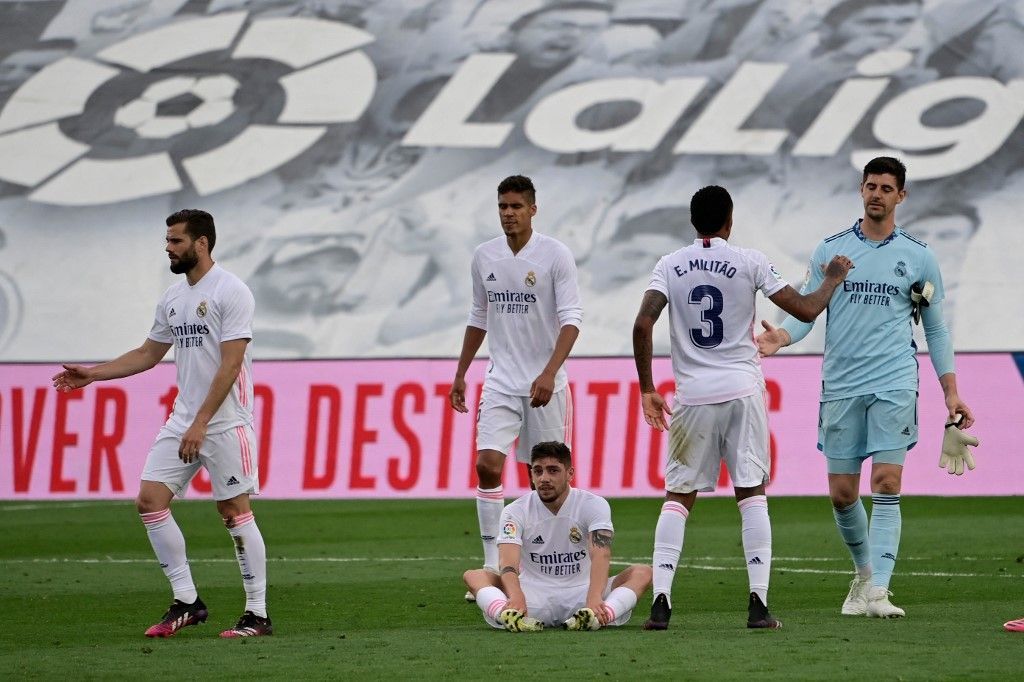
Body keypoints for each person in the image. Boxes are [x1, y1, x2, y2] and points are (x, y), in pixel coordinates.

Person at [756, 157, 976, 619]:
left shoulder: (919, 257)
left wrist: (950, 392)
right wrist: (782, 337)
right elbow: (809, 310)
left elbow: (936, 330)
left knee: (887, 482)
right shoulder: (831, 250)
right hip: (841, 384)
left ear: (901, 196)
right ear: (861, 190)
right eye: (871, 186)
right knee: (842, 493)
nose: (877, 194)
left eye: (886, 188)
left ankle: (878, 591)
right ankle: (863, 576)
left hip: (895, 380)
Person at [632, 185, 854, 631]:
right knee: (751, 494)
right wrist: (831, 278)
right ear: (729, 221)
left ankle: (660, 602)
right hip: (741, 391)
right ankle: (758, 605)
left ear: (692, 221)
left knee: (678, 498)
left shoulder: (669, 265)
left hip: (693, 396)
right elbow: (805, 310)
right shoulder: (750, 260)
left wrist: (647, 388)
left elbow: (642, 324)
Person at [51, 209, 271, 639]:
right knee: (150, 501)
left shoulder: (231, 291)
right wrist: (93, 374)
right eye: (167, 241)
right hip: (183, 419)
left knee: (233, 511)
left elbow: (231, 365)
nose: (168, 248)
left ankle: (257, 614)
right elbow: (148, 354)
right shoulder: (173, 296)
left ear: (201, 243)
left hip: (226, 423)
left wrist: (202, 422)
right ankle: (187, 601)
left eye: (176, 241)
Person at [449, 175, 582, 598]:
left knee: (544, 478)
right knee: (487, 465)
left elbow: (572, 320)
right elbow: (479, 315)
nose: (508, 214)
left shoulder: (555, 255)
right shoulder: (484, 256)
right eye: (503, 207)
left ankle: (545, 564)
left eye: (516, 207)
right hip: (501, 382)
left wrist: (549, 372)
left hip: (547, 387)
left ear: (532, 210)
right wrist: (461, 373)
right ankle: (494, 566)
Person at [463, 441, 652, 631]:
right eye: (538, 471)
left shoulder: (593, 504)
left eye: (553, 470)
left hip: (584, 595)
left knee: (643, 572)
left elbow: (601, 554)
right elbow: (508, 564)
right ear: (531, 474)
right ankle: (511, 616)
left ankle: (594, 616)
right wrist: (517, 596)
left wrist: (594, 597)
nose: (544, 478)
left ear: (570, 473)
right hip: (532, 598)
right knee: (474, 576)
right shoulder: (515, 511)